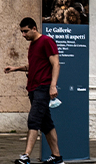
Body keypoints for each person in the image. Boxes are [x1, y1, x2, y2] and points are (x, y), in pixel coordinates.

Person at [4, 17, 62, 164]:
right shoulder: (33, 44)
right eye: (22, 32)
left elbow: (55, 64)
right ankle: (57, 157)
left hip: (43, 87)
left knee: (34, 120)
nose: (23, 35)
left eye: (25, 31)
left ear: (34, 28)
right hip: (33, 88)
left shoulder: (47, 41)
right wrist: (16, 68)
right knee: (46, 123)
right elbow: (34, 65)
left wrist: (53, 85)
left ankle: (26, 156)